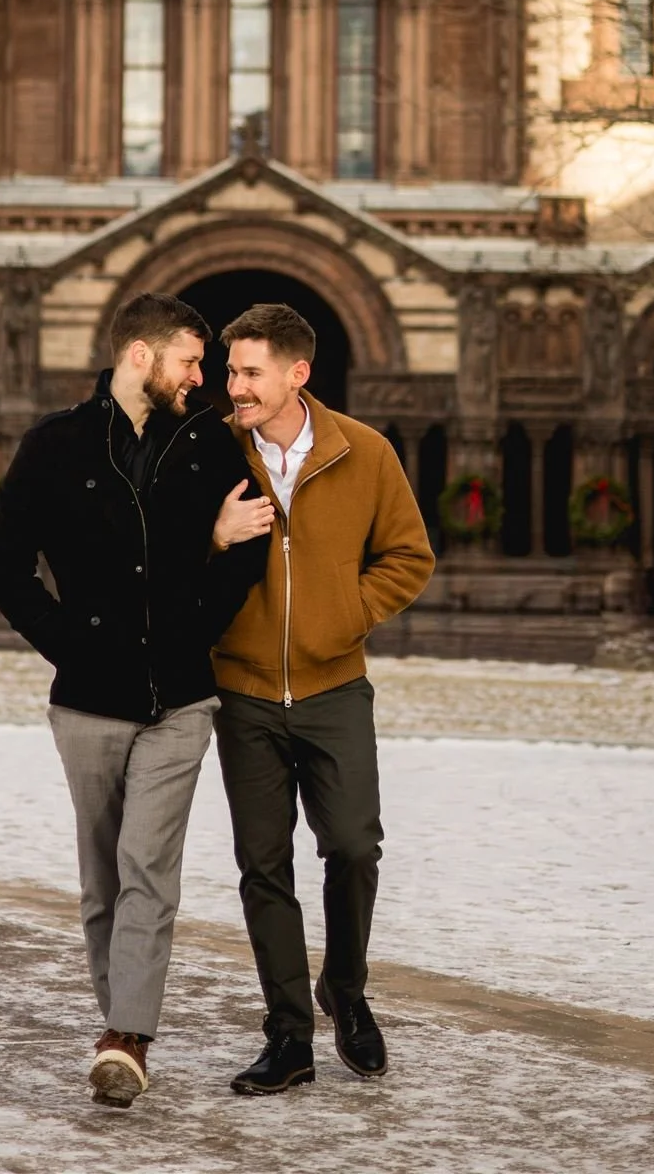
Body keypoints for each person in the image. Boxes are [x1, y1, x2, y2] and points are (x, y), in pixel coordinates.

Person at [0, 292, 274, 1108]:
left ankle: (126, 1035)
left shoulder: (209, 443)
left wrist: (197, 617)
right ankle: (119, 1017)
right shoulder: (56, 443)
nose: (200, 377)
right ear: (139, 356)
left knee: (148, 867)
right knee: (102, 877)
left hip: (180, 699)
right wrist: (67, 642)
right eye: (189, 359)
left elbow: (251, 545)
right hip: (85, 703)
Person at [210, 301, 435, 1094]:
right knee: (262, 865)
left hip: (335, 684)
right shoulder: (211, 451)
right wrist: (211, 539)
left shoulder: (363, 452)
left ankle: (345, 988)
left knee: (351, 846)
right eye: (230, 370)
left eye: (248, 371)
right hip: (240, 692)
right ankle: (287, 1037)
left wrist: (345, 615)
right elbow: (167, 552)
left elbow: (409, 556)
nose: (231, 384)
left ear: (296, 374)